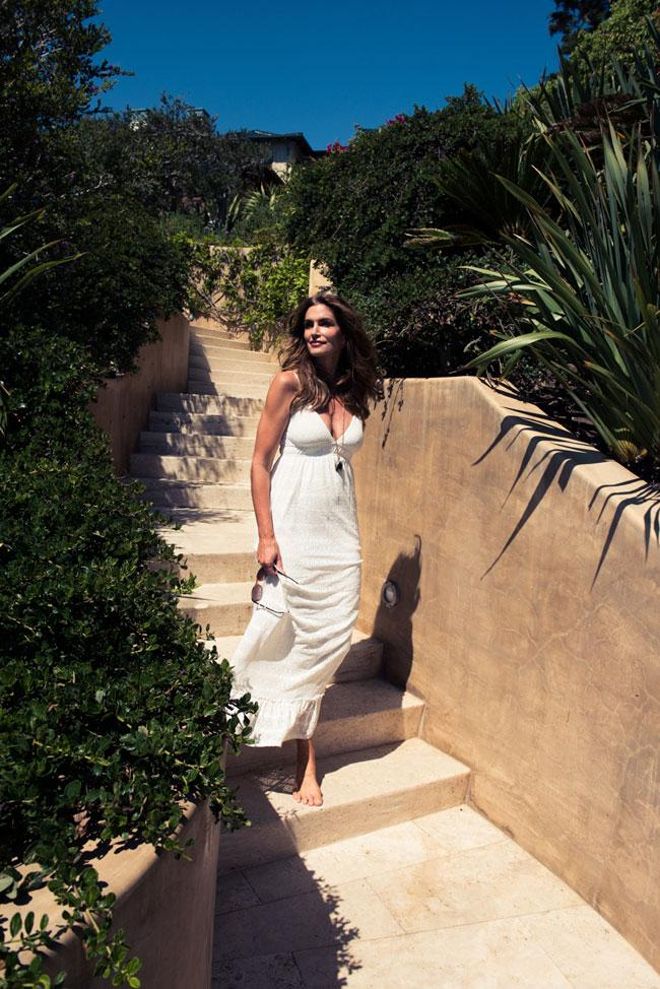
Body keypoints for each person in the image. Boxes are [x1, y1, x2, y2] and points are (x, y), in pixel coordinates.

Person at [229, 293, 381, 807]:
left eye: (326, 323)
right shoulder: (289, 383)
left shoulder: (354, 390)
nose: (316, 331)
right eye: (309, 324)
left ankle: (298, 736)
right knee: (291, 642)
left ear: (343, 331)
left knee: (328, 646)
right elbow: (259, 461)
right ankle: (305, 761)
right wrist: (266, 535)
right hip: (293, 534)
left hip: (341, 538)